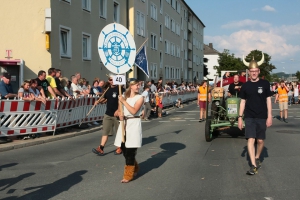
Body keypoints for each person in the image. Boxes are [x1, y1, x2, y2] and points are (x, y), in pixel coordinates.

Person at [239, 53, 272, 175]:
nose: (253, 73)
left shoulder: (265, 84)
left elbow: (268, 100)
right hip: (249, 116)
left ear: (258, 71)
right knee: (251, 139)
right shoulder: (245, 86)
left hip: (262, 116)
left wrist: (269, 116)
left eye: (255, 71)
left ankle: (257, 156)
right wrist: (240, 118)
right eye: (251, 71)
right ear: (249, 71)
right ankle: (253, 165)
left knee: (260, 141)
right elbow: (242, 102)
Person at [114, 78, 144, 183]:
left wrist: (123, 101)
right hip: (124, 124)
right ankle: (134, 167)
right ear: (131, 86)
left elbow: (134, 111)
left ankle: (128, 175)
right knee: (124, 149)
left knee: (130, 151)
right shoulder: (124, 97)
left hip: (133, 124)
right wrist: (118, 112)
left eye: (139, 85)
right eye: (136, 85)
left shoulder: (140, 97)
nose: (138, 87)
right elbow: (119, 110)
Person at [92, 74, 125, 155]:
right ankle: (101, 148)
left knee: (119, 132)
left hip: (117, 114)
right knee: (105, 132)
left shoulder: (121, 89)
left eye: (113, 79)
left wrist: (118, 110)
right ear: (109, 81)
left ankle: (120, 147)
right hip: (108, 113)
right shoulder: (107, 89)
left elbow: (123, 101)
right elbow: (105, 99)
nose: (112, 81)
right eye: (110, 80)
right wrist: (99, 101)